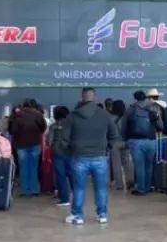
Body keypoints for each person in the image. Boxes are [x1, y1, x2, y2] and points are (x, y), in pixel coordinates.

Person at [58, 88, 120, 225]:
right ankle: (102, 215)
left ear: (82, 97)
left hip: (79, 157)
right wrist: (106, 149)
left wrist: (70, 152)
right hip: (100, 157)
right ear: (95, 98)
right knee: (101, 188)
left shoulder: (72, 116)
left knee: (79, 188)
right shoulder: (104, 115)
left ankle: (77, 216)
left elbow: (64, 140)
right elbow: (114, 135)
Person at [120, 90, 163, 196]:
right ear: (145, 98)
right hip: (151, 141)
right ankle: (148, 187)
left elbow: (124, 127)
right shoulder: (152, 109)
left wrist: (125, 139)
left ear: (135, 98)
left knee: (139, 166)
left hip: (135, 141)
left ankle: (141, 189)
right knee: (149, 165)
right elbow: (160, 126)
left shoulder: (130, 110)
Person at [8, 99, 47, 196]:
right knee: (34, 167)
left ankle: (25, 191)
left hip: (21, 145)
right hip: (35, 143)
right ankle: (34, 190)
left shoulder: (17, 115)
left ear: (23, 106)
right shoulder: (38, 114)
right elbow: (43, 128)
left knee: (23, 167)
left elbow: (12, 131)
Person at [47, 106, 72, 207]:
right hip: (70, 151)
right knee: (71, 174)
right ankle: (77, 195)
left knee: (60, 176)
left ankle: (64, 198)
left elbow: (49, 141)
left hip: (57, 152)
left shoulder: (53, 126)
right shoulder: (71, 125)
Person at [108, 100, 129, 192]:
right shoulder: (126, 117)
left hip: (114, 142)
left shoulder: (109, 117)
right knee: (127, 162)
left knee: (116, 164)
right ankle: (130, 181)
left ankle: (119, 184)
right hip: (125, 141)